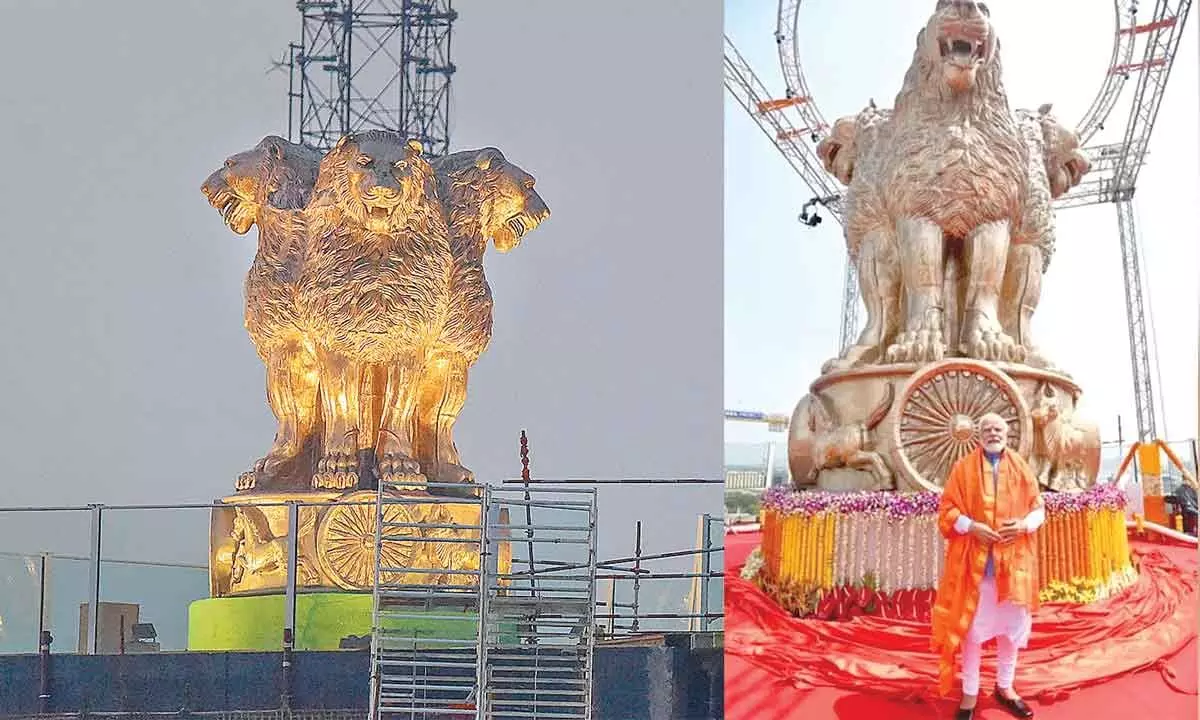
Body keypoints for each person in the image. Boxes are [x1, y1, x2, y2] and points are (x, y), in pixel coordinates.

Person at [931, 412, 1044, 720]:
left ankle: (1005, 687)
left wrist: (1022, 526)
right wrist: (971, 527)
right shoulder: (963, 468)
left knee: (1011, 632)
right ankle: (969, 693)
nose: (993, 433)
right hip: (976, 568)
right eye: (987, 429)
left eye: (998, 429)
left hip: (1014, 567)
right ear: (978, 435)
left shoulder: (1021, 467)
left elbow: (1039, 509)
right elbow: (947, 510)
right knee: (972, 633)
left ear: (1006, 435)